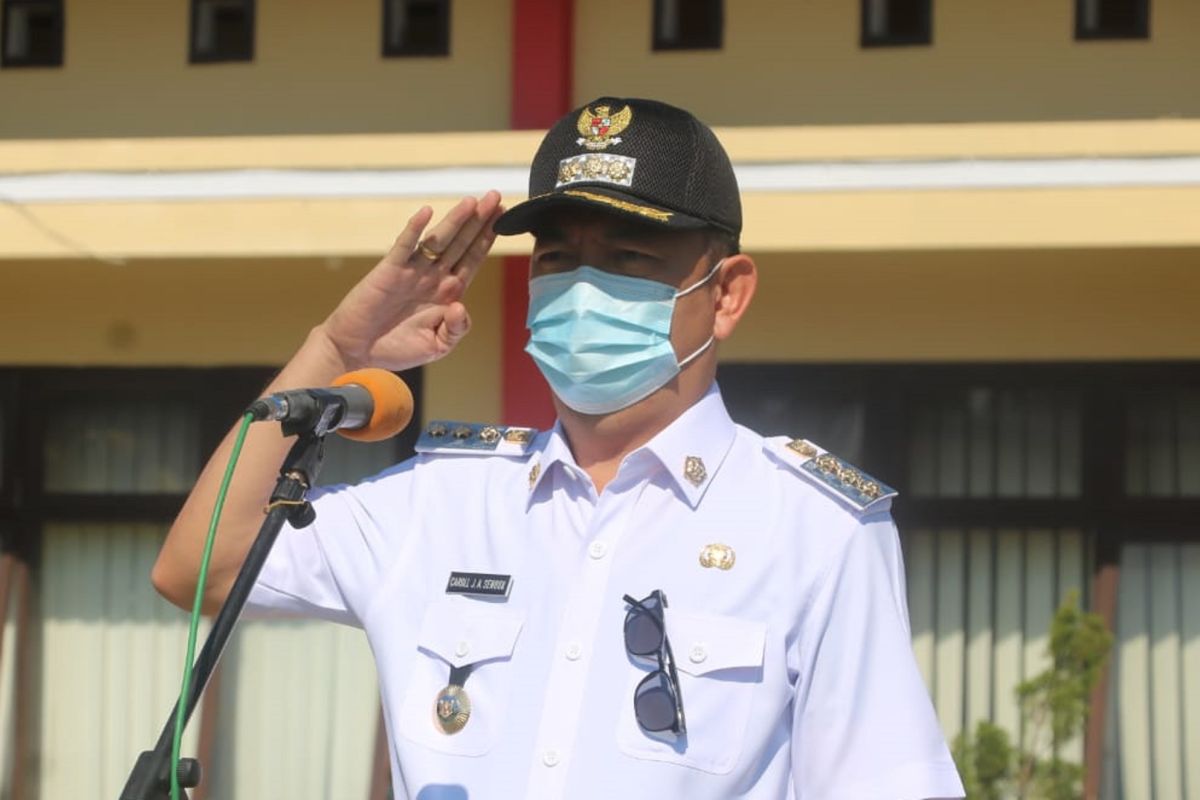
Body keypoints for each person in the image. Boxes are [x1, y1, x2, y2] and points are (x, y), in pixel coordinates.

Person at [154, 97, 965, 799]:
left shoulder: (812, 528)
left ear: (726, 294)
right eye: (558, 258)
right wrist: (339, 347)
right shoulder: (443, 501)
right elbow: (200, 569)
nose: (582, 288)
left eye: (628, 257)